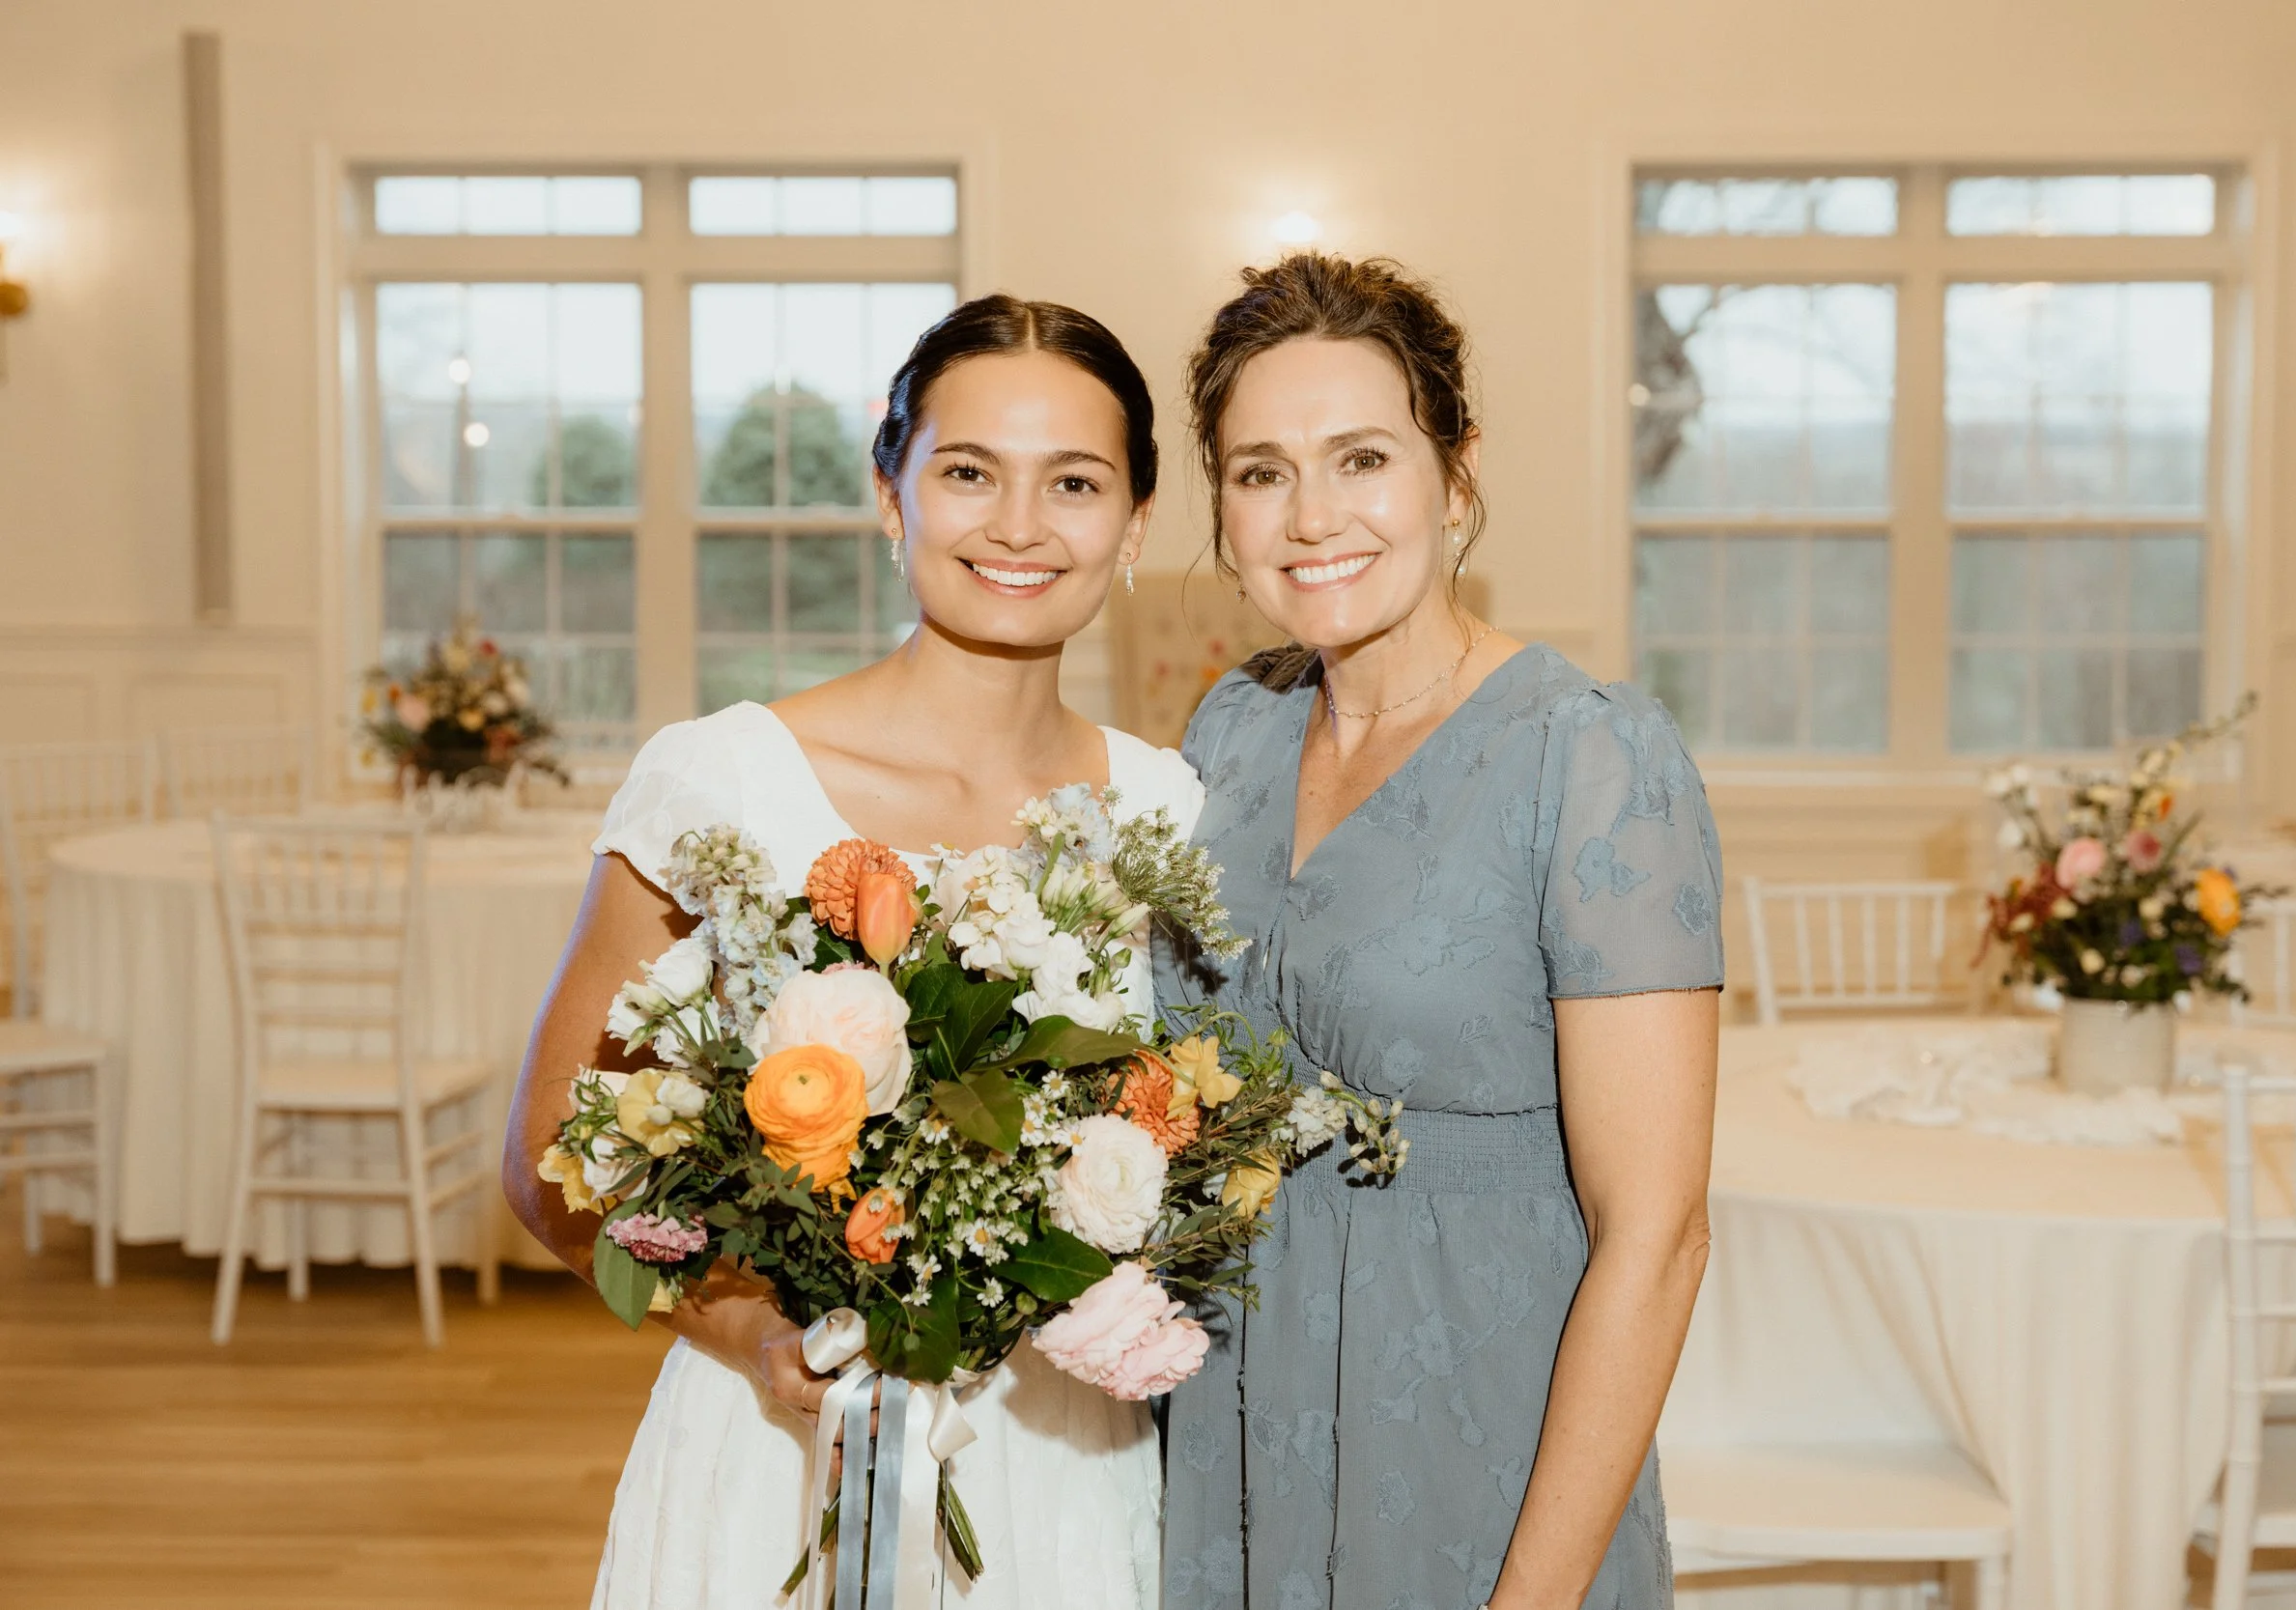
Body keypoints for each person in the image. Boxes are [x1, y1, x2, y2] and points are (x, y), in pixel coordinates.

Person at [504, 293, 1202, 1610]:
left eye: (1074, 482)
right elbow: (549, 1153)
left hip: (1066, 1471)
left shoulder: (1167, 811)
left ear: (1135, 524)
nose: (1018, 525)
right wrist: (748, 1325)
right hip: (780, 1452)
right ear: (891, 494)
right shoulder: (722, 778)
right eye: (966, 472)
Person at [1157, 254, 1723, 1610]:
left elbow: (1658, 1229)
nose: (1310, 516)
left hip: (1477, 1449)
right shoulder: (1229, 730)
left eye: (1362, 457)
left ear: (1456, 477)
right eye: (1259, 470)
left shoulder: (1589, 755)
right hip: (1227, 1430)